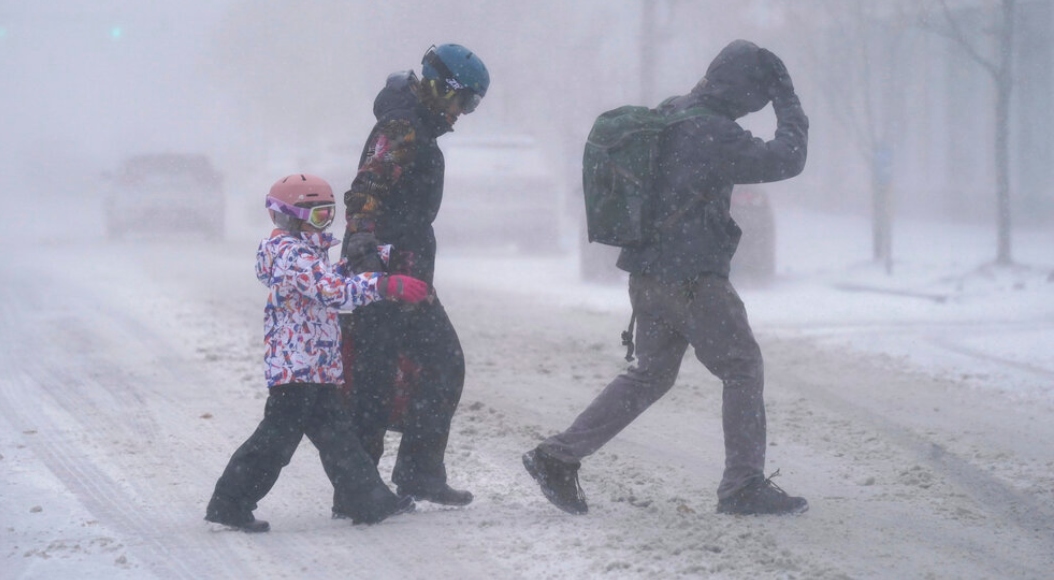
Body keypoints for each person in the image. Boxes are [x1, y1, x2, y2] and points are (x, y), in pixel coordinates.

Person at [523, 40, 810, 516]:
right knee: (742, 367)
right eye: (756, 98)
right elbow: (788, 158)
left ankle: (557, 456)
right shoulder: (712, 131)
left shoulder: (672, 113)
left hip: (649, 275)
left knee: (650, 375)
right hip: (693, 278)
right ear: (746, 92)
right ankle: (743, 486)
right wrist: (788, 100)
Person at [205, 173, 430, 532]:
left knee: (338, 437)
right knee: (275, 441)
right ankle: (230, 502)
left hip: (317, 365)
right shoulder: (290, 253)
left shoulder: (305, 253)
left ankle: (369, 501)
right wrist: (384, 284)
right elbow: (331, 291)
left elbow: (328, 278)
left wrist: (370, 259)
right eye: (318, 216)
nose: (324, 223)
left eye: (329, 215)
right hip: (296, 368)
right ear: (291, 217)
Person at [339, 43, 489, 509]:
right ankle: (357, 491)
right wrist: (364, 245)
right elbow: (366, 188)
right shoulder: (403, 126)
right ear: (440, 87)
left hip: (410, 274)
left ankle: (419, 473)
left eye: (473, 105)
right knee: (374, 380)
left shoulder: (418, 124)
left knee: (442, 364)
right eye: (464, 101)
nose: (464, 113)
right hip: (382, 271)